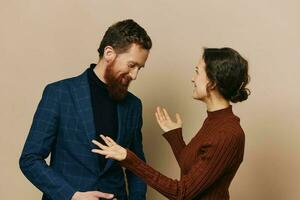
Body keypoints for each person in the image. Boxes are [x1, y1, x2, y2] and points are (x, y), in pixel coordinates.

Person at [91, 47, 250, 200]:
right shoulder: (215, 121)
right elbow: (193, 170)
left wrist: (129, 159)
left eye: (197, 72)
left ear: (213, 82)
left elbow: (183, 193)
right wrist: (175, 136)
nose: (193, 79)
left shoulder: (227, 133)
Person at [19, 19, 152, 200]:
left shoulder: (133, 105)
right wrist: (72, 195)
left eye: (140, 68)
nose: (135, 75)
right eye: (131, 65)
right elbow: (30, 159)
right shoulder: (59, 93)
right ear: (109, 53)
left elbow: (137, 166)